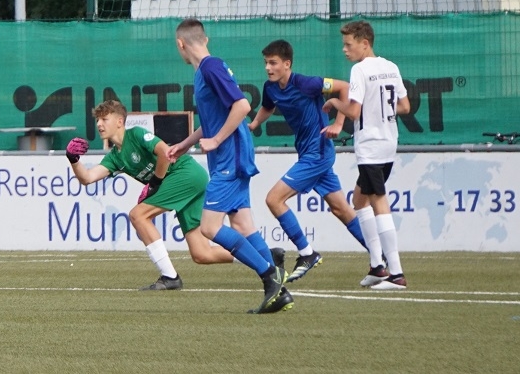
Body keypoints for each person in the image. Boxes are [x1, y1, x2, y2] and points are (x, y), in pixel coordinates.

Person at [166, 18, 292, 314]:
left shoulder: (210, 67)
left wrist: (216, 140)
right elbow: (216, 119)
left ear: (181, 44)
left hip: (230, 158)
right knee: (242, 225)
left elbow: (242, 106)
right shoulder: (205, 70)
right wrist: (186, 143)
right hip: (232, 156)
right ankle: (275, 274)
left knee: (209, 228)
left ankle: (270, 276)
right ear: (205, 39)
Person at [66, 100, 237, 291]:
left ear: (120, 121)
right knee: (202, 254)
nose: (99, 124)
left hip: (185, 174)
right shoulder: (114, 156)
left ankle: (170, 277)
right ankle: (257, 255)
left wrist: (155, 182)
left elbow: (165, 153)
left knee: (138, 215)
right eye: (98, 120)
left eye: (104, 119)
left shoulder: (136, 134)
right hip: (186, 181)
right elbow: (87, 178)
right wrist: (73, 159)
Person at [247, 39, 370, 284]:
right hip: (307, 153)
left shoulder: (307, 83)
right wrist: (254, 124)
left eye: (273, 63)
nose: (268, 68)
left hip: (318, 153)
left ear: (287, 64)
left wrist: (338, 124)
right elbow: (268, 107)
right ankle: (381, 258)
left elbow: (345, 88)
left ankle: (307, 253)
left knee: (274, 199)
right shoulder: (270, 87)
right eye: (266, 63)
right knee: (341, 210)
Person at [322, 20, 411, 290]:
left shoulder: (359, 70)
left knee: (377, 201)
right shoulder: (391, 67)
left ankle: (396, 274)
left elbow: (353, 112)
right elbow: (405, 107)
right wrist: (381, 110)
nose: (344, 49)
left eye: (348, 45)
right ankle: (376, 266)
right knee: (359, 200)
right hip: (389, 142)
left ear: (365, 43)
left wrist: (334, 101)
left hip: (370, 146)